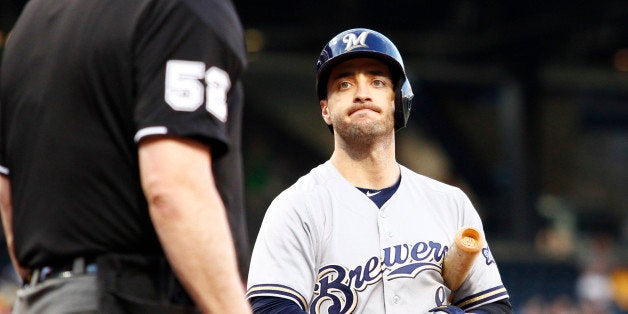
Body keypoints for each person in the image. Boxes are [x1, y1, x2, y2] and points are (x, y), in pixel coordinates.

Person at [0, 0, 252, 313]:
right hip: (128, 297)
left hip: (40, 298)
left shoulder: (32, 19)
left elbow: (8, 197)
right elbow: (173, 189)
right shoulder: (186, 8)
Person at [246, 28, 513, 313]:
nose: (362, 93)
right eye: (344, 84)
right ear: (325, 109)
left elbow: (494, 307)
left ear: (397, 100)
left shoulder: (450, 204)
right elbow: (271, 308)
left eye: (376, 81)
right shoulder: (296, 207)